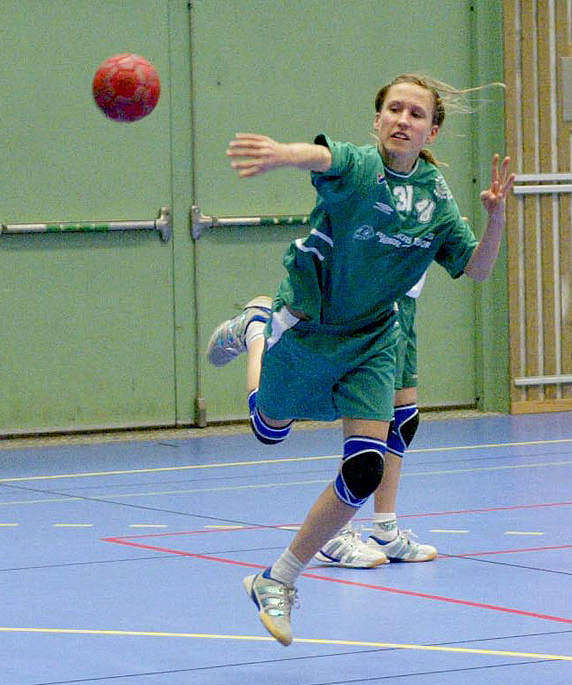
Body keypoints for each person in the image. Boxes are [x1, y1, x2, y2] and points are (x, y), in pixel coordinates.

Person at [206, 73, 515, 645]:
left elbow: (476, 268)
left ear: (432, 130)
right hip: (309, 326)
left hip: (375, 338)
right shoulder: (359, 167)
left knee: (365, 465)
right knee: (268, 430)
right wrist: (281, 156)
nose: (403, 119)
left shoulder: (436, 200)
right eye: (393, 110)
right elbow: (321, 157)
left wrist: (496, 219)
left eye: (416, 114)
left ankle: (279, 578)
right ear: (378, 122)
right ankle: (254, 328)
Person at [213, 276, 436, 570]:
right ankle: (256, 329)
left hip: (400, 295)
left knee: (402, 419)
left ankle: (385, 530)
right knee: (274, 429)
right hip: (358, 301)